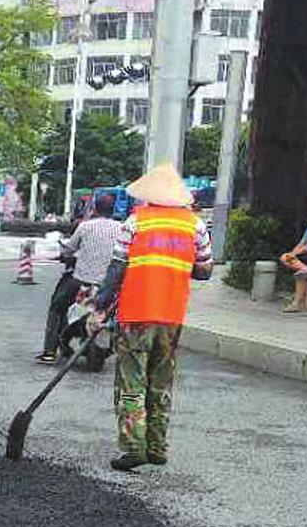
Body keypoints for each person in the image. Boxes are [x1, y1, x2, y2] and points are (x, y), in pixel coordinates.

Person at [94, 162, 212, 472]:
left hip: (135, 314)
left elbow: (116, 269)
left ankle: (134, 447)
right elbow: (205, 270)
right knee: (161, 381)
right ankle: (158, 447)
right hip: (172, 315)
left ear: (149, 195)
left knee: (131, 381)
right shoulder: (195, 226)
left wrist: (99, 306)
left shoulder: (136, 222)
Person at [38, 192, 126, 362]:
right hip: (109, 285)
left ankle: (49, 350)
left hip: (80, 281)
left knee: (57, 306)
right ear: (113, 210)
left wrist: (63, 252)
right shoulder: (122, 228)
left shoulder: (85, 227)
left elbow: (69, 249)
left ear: (94, 208)